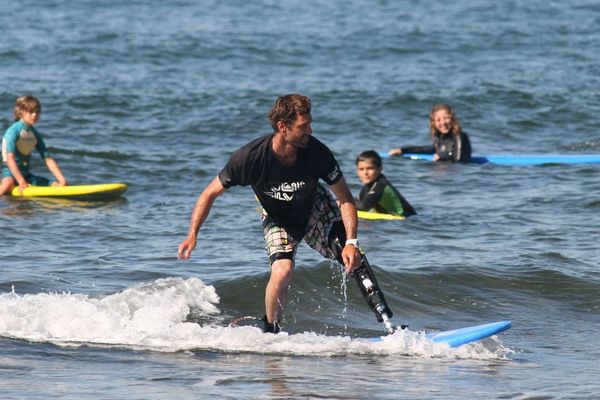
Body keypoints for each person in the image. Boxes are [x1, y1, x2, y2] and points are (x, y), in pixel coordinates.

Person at [178, 94, 395, 334]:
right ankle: (271, 330)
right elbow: (208, 194)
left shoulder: (317, 153)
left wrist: (352, 241)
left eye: (310, 124)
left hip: (316, 207)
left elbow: (344, 197)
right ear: (283, 127)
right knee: (282, 271)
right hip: (276, 217)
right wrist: (192, 235)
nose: (310, 131)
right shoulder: (249, 158)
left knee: (354, 257)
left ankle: (389, 324)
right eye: (304, 126)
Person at [0, 95, 68, 196]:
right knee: (8, 183)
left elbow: (48, 159)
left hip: (26, 175)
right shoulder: (13, 131)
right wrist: (20, 181)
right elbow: (10, 159)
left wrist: (62, 180)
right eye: (31, 112)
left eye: (37, 112)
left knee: (54, 184)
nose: (35, 115)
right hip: (9, 173)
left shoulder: (35, 134)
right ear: (21, 112)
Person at [389, 103, 471, 162]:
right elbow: (426, 149)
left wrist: (442, 158)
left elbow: (459, 160)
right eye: (438, 120)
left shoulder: (459, 137)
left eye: (446, 118)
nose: (443, 123)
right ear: (434, 124)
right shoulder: (440, 139)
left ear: (452, 119)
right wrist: (403, 150)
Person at [355, 150, 416, 217]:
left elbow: (364, 206)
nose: (365, 173)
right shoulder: (367, 187)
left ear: (380, 168)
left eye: (370, 168)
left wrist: (345, 202)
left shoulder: (381, 185)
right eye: (361, 169)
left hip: (407, 221)